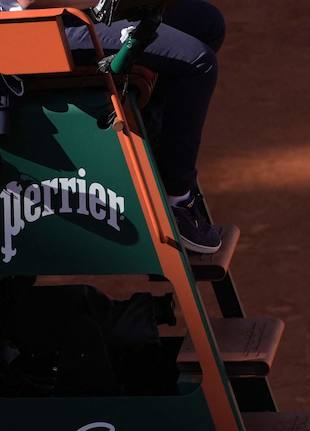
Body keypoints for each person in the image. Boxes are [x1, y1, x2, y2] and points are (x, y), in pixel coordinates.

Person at [2, 0, 225, 253]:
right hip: (26, 31)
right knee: (198, 62)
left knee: (205, 22)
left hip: (53, 17)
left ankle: (155, 161)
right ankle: (176, 202)